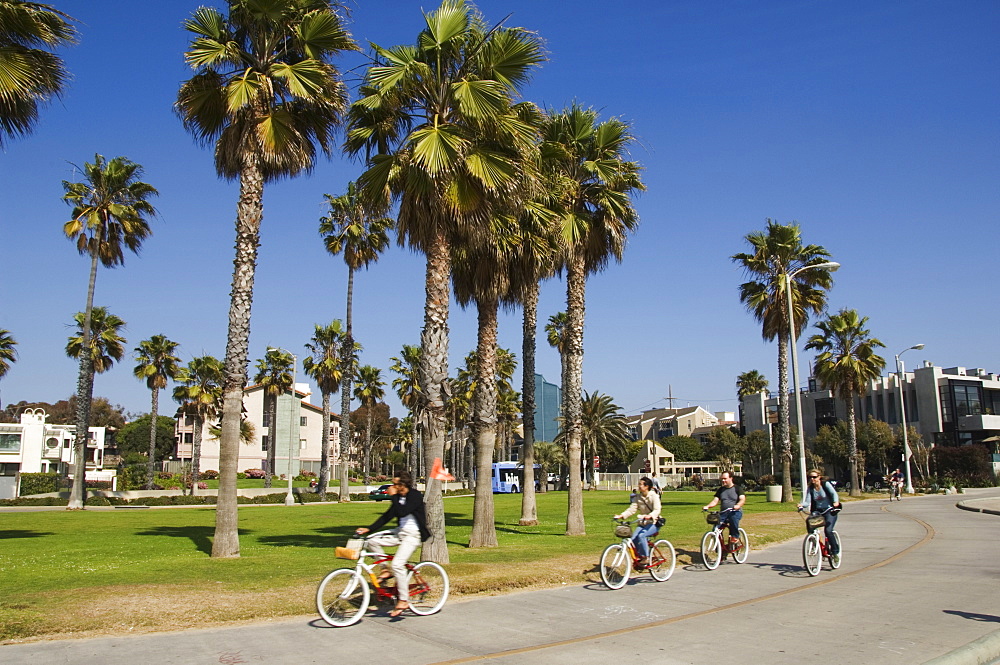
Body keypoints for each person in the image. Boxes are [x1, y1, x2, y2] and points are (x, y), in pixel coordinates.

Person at [355, 470, 431, 617]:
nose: (393, 486)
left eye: (396, 484)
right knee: (372, 540)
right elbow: (387, 516)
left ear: (404, 484)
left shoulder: (414, 495)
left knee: (397, 564)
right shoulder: (398, 497)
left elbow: (403, 511)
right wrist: (369, 529)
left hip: (413, 535)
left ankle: (403, 600)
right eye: (393, 483)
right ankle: (385, 569)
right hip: (400, 532)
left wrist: (394, 496)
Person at [613, 477, 662, 568]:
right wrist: (621, 515)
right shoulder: (638, 497)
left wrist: (650, 515)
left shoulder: (653, 496)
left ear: (647, 486)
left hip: (654, 522)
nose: (639, 486)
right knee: (633, 539)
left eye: (640, 484)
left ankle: (646, 557)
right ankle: (640, 557)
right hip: (643, 523)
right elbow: (632, 509)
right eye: (639, 484)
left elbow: (657, 509)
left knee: (641, 536)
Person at [798, 469, 842, 563]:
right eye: (810, 477)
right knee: (809, 522)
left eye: (814, 477)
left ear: (819, 477)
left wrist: (835, 503)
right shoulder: (810, 488)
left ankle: (835, 552)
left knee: (828, 530)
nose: (812, 479)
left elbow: (834, 494)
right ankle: (814, 542)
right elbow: (807, 501)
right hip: (818, 511)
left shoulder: (825, 485)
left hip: (830, 510)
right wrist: (801, 505)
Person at [702, 471, 745, 544]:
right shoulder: (721, 490)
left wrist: (738, 505)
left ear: (731, 478)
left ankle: (735, 537)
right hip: (723, 513)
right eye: (722, 479)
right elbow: (715, 501)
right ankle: (719, 547)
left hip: (735, 512)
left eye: (725, 478)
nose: (723, 480)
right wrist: (708, 506)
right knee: (716, 527)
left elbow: (742, 499)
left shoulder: (737, 488)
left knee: (733, 518)